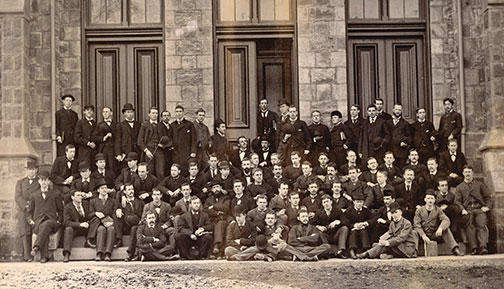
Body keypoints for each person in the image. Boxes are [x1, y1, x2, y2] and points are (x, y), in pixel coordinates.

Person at [455, 166, 492, 255]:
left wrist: (487, 207)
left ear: (472, 173)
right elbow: (457, 201)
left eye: (469, 172)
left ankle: (483, 247)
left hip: (479, 209)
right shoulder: (460, 187)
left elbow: (488, 197)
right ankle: (474, 248)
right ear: (463, 174)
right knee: (469, 225)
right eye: (466, 172)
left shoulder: (479, 184)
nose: (467, 174)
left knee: (481, 224)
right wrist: (462, 209)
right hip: (468, 210)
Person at [28, 170, 63, 263]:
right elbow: (29, 212)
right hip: (38, 223)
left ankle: (36, 247)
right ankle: (44, 257)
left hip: (52, 222)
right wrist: (30, 221)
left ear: (48, 181)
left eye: (45, 180)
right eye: (41, 180)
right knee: (44, 226)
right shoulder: (34, 195)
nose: (43, 182)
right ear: (39, 181)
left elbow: (61, 210)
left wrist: (59, 220)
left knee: (46, 224)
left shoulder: (56, 194)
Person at [414, 191, 463, 256]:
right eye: (428, 198)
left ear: (434, 200)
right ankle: (414, 251)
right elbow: (416, 225)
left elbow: (446, 220)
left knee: (446, 229)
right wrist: (423, 235)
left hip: (434, 234)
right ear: (425, 199)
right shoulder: (419, 211)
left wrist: (440, 228)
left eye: (432, 198)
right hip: (423, 235)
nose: (430, 200)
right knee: (414, 232)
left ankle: (455, 249)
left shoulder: (438, 210)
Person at [87, 179, 121, 261]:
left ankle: (108, 254)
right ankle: (99, 253)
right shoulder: (93, 201)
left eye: (105, 188)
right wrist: (96, 213)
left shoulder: (113, 201)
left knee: (111, 229)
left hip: (110, 223)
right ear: (98, 190)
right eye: (102, 188)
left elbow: (114, 213)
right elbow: (89, 215)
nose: (104, 190)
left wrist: (112, 220)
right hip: (98, 224)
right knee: (101, 229)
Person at [15, 160, 39, 262]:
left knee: (34, 230)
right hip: (24, 211)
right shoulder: (20, 182)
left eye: (33, 170)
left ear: (36, 170)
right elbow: (18, 197)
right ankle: (26, 255)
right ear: (26, 171)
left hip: (35, 210)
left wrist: (33, 205)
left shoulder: (39, 181)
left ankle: (35, 254)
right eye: (29, 170)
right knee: (25, 232)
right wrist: (26, 205)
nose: (31, 172)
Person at [117, 183, 145, 261]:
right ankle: (135, 254)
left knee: (134, 228)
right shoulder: (121, 204)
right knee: (131, 220)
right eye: (129, 190)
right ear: (124, 192)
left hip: (138, 226)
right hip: (126, 226)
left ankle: (130, 254)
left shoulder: (140, 202)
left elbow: (144, 214)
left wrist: (141, 221)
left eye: (132, 189)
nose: (131, 191)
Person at [204, 181, 232, 258]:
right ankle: (213, 251)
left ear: (221, 188)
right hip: (212, 220)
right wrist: (217, 213)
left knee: (220, 224)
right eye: (214, 188)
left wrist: (213, 206)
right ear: (212, 190)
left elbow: (226, 208)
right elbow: (206, 210)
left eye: (217, 187)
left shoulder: (226, 198)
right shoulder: (208, 199)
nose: (216, 189)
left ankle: (216, 246)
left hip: (222, 220)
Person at [62, 190, 90, 262]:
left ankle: (90, 242)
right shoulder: (68, 207)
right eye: (78, 195)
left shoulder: (86, 204)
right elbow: (66, 222)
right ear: (72, 197)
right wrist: (79, 224)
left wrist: (87, 223)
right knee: (68, 229)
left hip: (87, 228)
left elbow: (90, 215)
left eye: (81, 195)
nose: (80, 197)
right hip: (75, 229)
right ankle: (66, 253)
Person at [345, 193, 375, 259]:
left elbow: (372, 219)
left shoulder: (366, 210)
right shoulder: (349, 210)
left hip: (363, 229)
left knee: (363, 231)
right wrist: (354, 225)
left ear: (363, 202)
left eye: (361, 202)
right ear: (354, 202)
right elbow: (345, 221)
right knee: (353, 232)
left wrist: (365, 223)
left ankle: (364, 250)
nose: (359, 204)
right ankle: (352, 250)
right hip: (352, 229)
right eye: (357, 202)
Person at [137, 107, 162, 178]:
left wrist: (163, 144)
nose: (155, 115)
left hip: (159, 151)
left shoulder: (160, 125)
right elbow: (139, 141)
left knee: (160, 172)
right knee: (150, 171)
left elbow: (165, 138)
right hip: (148, 150)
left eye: (156, 113)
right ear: (149, 114)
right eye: (153, 113)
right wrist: (146, 151)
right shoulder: (144, 125)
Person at [115, 103, 140, 171]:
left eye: (132, 112)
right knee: (125, 170)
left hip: (136, 151)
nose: (130, 114)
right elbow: (118, 140)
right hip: (125, 152)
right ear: (124, 114)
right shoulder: (120, 125)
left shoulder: (138, 124)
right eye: (128, 112)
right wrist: (118, 154)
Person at [92, 106, 117, 173]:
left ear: (111, 113)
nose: (105, 113)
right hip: (103, 149)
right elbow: (94, 137)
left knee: (113, 167)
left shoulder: (116, 125)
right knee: (104, 166)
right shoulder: (99, 125)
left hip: (113, 149)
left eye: (107, 112)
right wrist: (104, 138)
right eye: (103, 112)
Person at [171, 105, 197, 169]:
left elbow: (194, 139)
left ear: (183, 113)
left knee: (185, 169)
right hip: (176, 152)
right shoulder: (172, 125)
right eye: (177, 111)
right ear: (175, 113)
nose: (178, 113)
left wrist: (193, 151)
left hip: (186, 152)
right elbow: (170, 138)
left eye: (180, 111)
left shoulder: (189, 124)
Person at [386, 104, 411, 169]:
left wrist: (404, 142)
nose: (397, 111)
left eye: (399, 110)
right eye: (396, 109)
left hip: (401, 152)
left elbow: (409, 137)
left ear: (402, 111)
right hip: (390, 151)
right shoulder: (387, 123)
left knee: (400, 170)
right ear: (393, 110)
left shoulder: (405, 123)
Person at [158, 110, 174, 178]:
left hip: (170, 152)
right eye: (164, 116)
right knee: (162, 168)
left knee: (169, 167)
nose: (166, 117)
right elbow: (161, 138)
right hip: (162, 150)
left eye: (168, 116)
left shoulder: (171, 126)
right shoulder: (159, 126)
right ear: (161, 117)